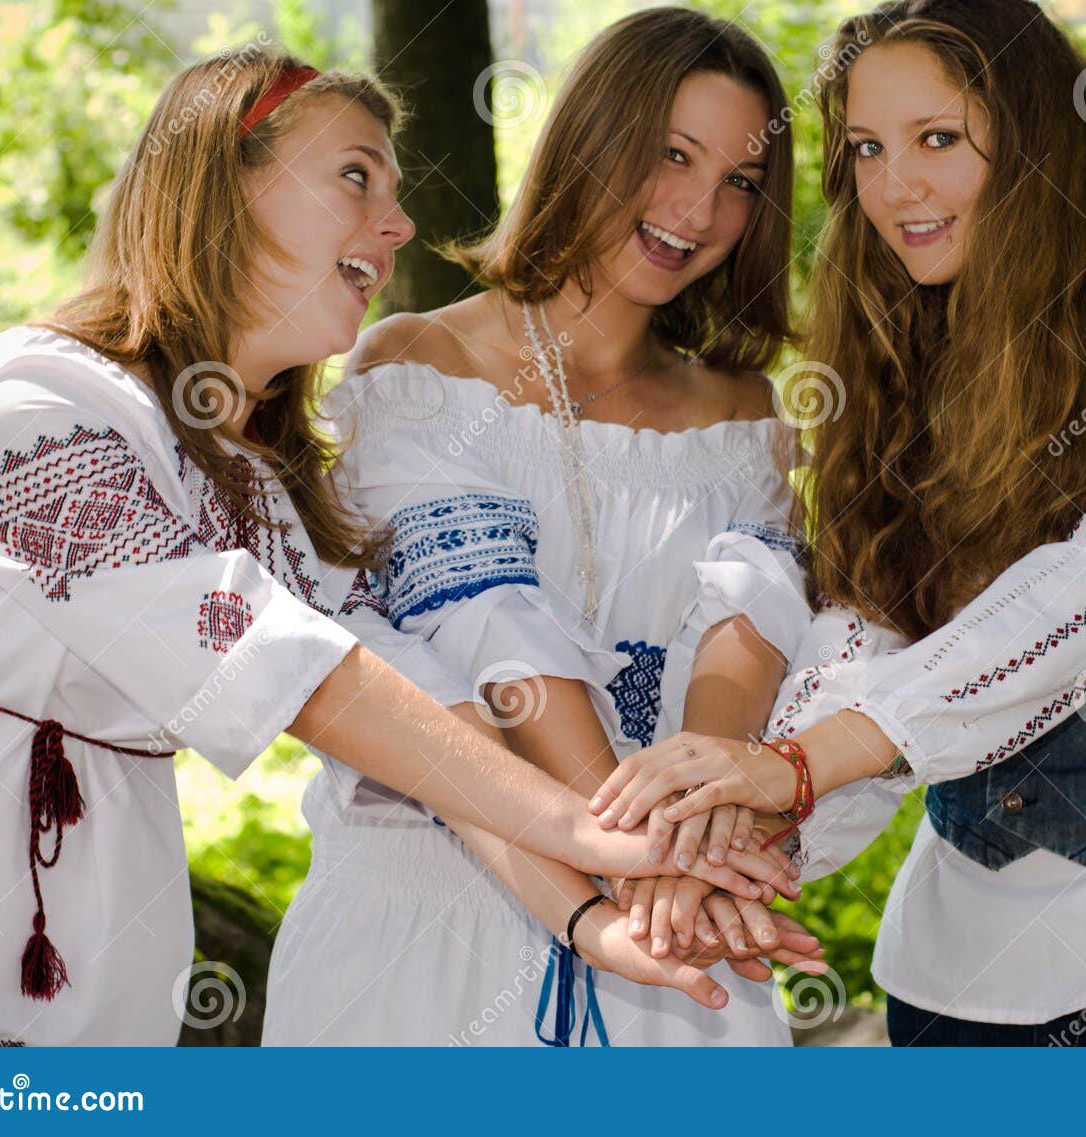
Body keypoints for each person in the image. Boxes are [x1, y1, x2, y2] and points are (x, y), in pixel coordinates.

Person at [0, 50, 804, 1048]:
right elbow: (290, 666)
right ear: (219, 182)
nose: (396, 226)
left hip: (95, 1013)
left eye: (395, 193)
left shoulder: (259, 489)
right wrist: (606, 837)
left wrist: (591, 916)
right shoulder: (39, 402)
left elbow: (423, 728)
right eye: (355, 174)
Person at [590, 0, 1086, 1047]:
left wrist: (799, 766)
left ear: (1041, 143)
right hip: (954, 974)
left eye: (938, 138)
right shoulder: (908, 392)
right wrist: (751, 837)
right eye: (866, 149)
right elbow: (864, 634)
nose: (897, 187)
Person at [264, 8, 813, 1047]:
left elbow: (749, 641)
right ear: (591, 137)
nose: (697, 208)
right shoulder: (418, 365)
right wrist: (649, 852)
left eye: (740, 181)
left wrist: (693, 824)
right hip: (423, 935)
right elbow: (488, 623)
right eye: (669, 154)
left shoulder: (748, 416)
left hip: (676, 945)